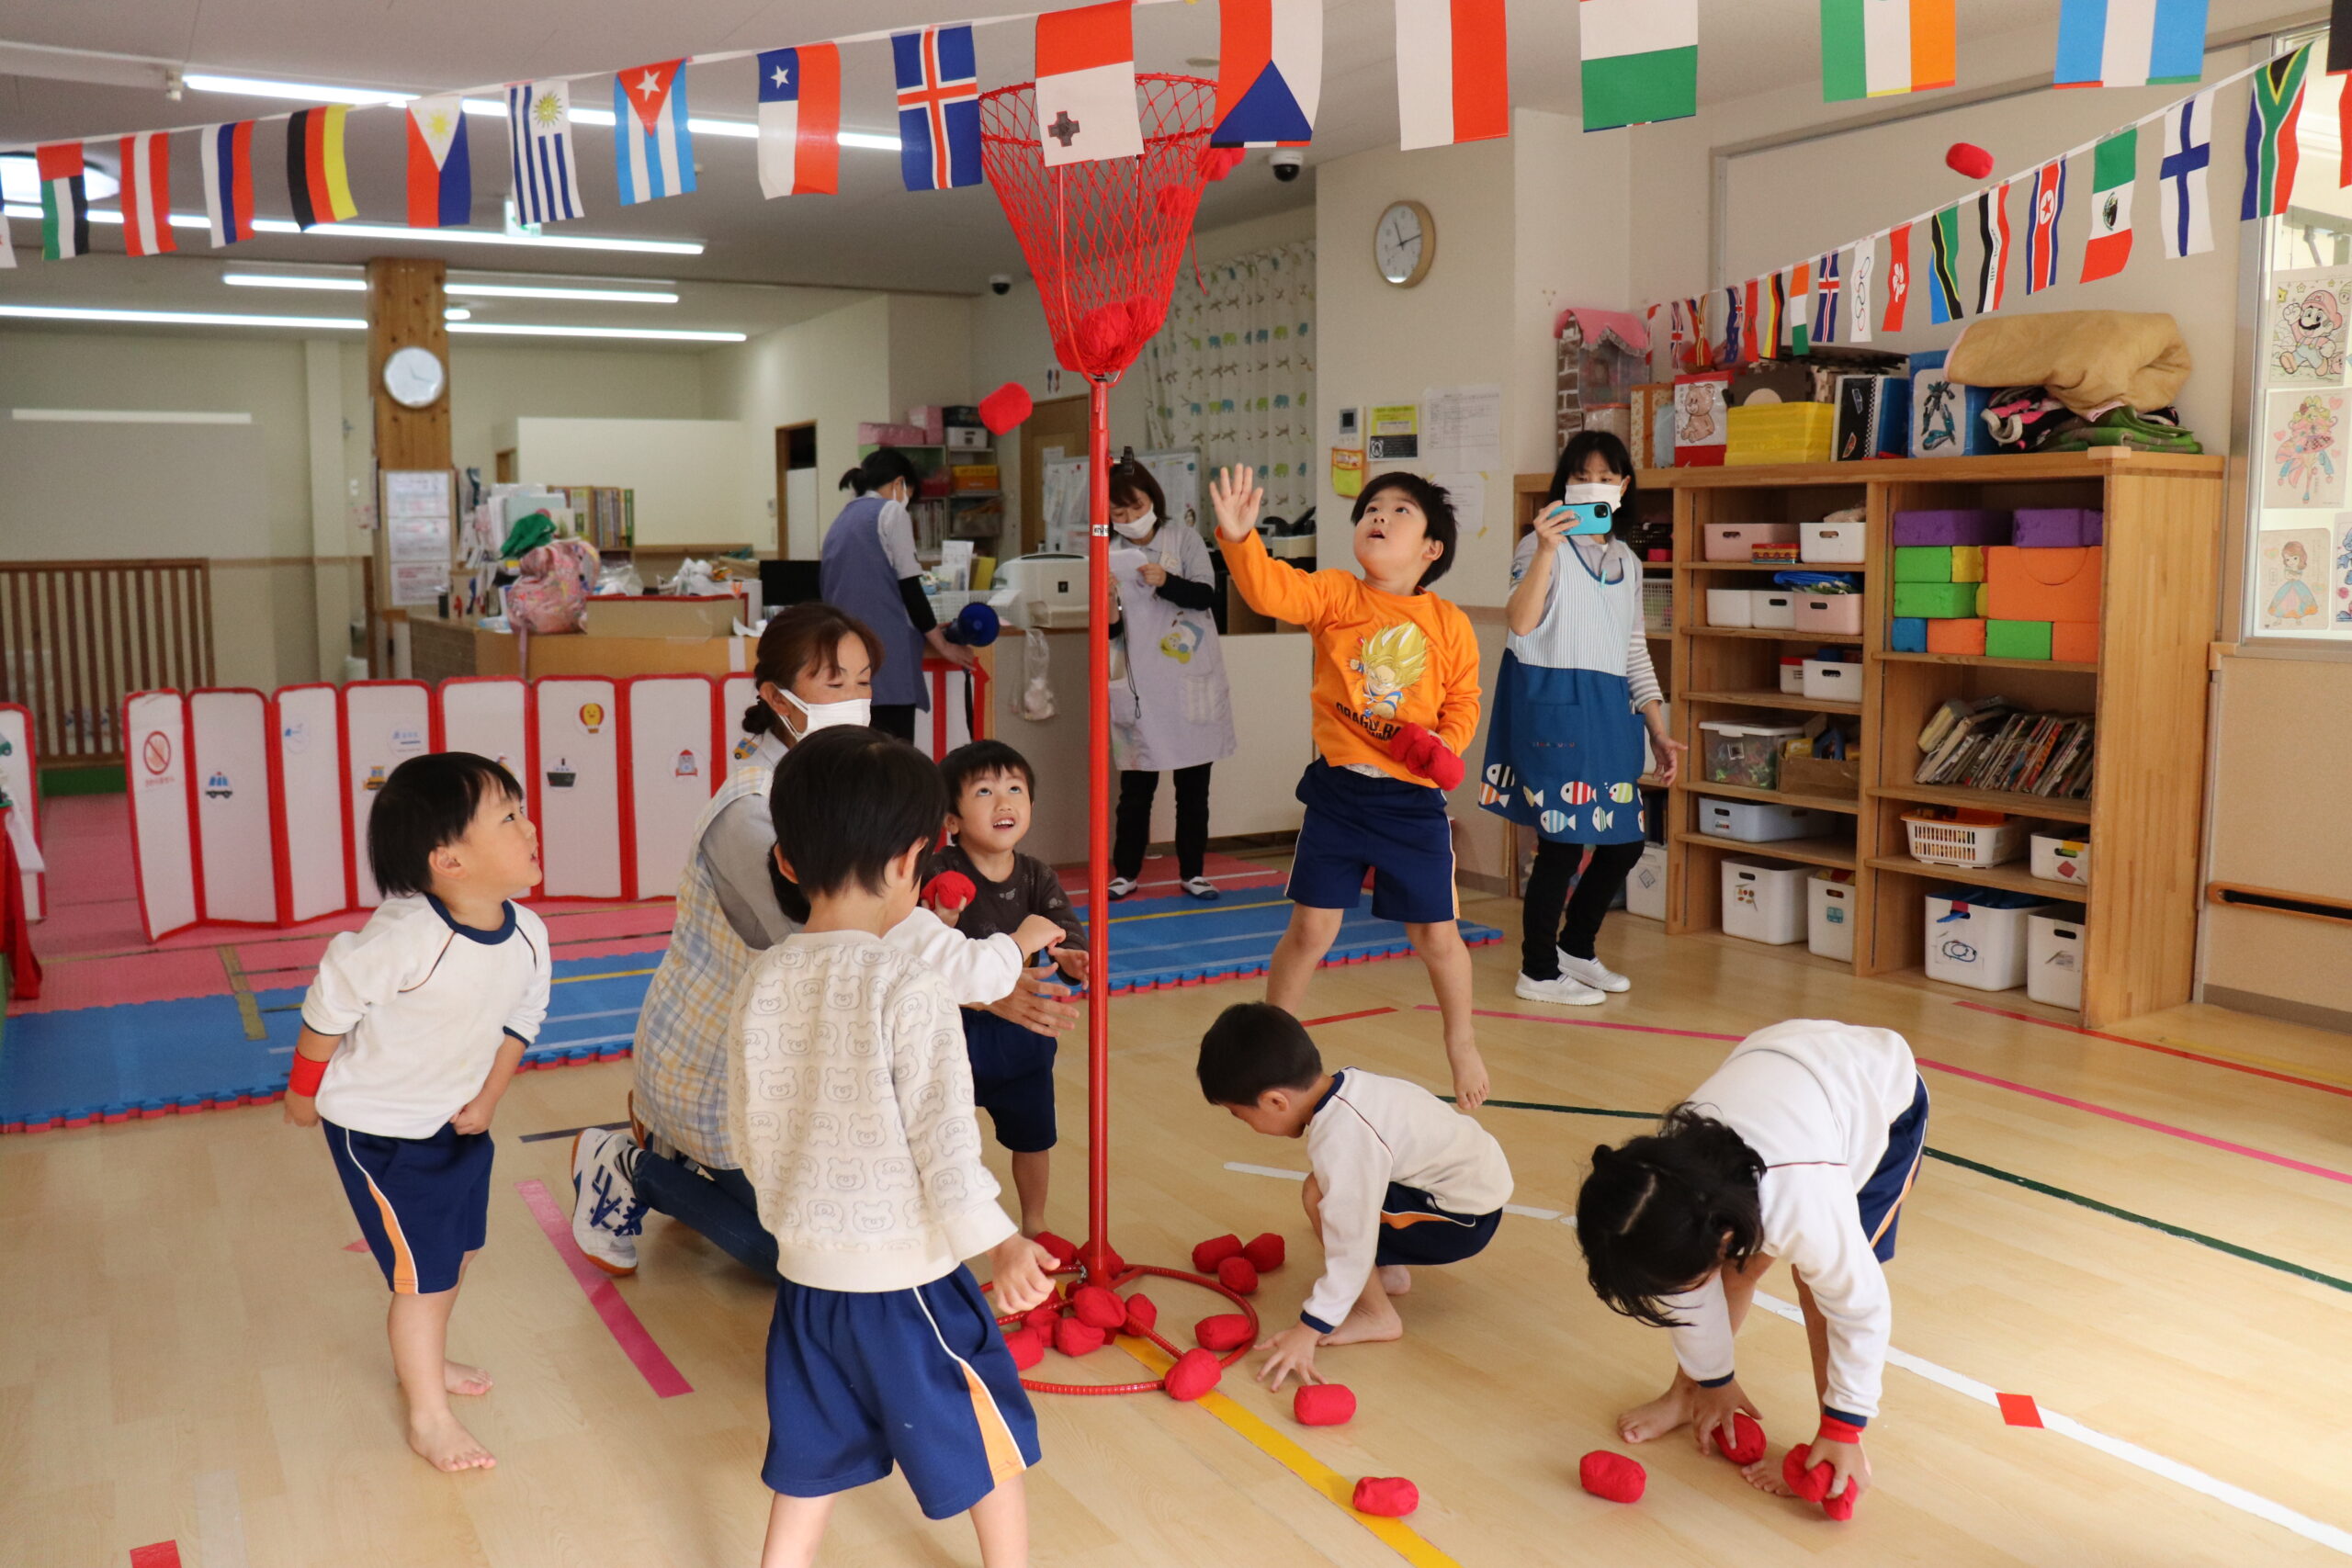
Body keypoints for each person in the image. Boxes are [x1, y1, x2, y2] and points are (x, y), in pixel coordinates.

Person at [570, 604, 1079, 1277]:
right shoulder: (750, 814)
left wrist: (985, 972)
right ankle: (633, 1164)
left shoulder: (841, 784)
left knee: (860, 1212)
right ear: (777, 697)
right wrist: (990, 980)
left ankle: (679, 1157)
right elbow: (854, 943)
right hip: (718, 1066)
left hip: (807, 1056)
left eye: (863, 682)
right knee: (790, 1251)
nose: (855, 700)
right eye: (833, 683)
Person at [736, 725, 1056, 1568]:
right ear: (916, 859)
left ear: (789, 861)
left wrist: (795, 1217)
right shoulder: (909, 981)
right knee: (987, 1439)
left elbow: (748, 1126)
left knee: (809, 1456)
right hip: (904, 1281)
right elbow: (944, 1137)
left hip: (807, 1277)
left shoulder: (762, 976)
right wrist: (1001, 1240)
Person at [281, 752, 551, 1473]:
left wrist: (489, 1096)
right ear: (449, 859)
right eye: (508, 816)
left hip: (456, 1121)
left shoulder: (528, 933)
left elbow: (522, 1019)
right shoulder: (405, 938)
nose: (530, 826)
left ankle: (423, 1359)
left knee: (457, 1254)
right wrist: (303, 1094)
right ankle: (428, 1415)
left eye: (523, 809)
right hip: (381, 1131)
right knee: (422, 1279)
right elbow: (329, 1004)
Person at [1210, 464, 1490, 1110]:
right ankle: (1269, 1048)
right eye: (1371, 509)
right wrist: (1241, 539)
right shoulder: (1337, 595)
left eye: (1400, 511)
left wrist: (1445, 746)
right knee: (1311, 930)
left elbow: (1464, 700)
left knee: (1435, 937)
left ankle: (1461, 1040)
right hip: (1339, 795)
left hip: (1411, 803)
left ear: (1431, 549)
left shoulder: (1448, 622)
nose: (1379, 516)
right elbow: (1270, 591)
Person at [1575, 1018, 1928, 1515]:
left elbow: (1860, 1308)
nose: (1681, 1295)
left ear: (1722, 1235)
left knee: (1816, 1288)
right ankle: (1689, 1393)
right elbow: (1692, 1290)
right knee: (1729, 1272)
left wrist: (1844, 1425)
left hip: (1881, 1104)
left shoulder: (1805, 1204)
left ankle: (1842, 1450)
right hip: (1787, 1079)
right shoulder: (1661, 1186)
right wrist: (1714, 1381)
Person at [1195, 1002, 1511, 1392]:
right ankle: (1389, 1272)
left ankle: (1376, 1314)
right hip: (1465, 1190)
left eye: (1242, 1117)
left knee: (1319, 1195)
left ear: (1276, 1101)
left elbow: (1350, 1242)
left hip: (1462, 1220)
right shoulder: (1350, 1086)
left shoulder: (1343, 1138)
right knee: (1340, 1190)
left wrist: (1309, 1327)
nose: (1248, 1126)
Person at [1483, 430, 1683, 1008]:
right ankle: (1538, 970)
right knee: (1562, 845)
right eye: (1581, 475)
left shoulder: (1628, 561)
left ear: (1622, 486)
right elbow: (1520, 622)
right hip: (1553, 705)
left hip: (1611, 711)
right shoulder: (1536, 546)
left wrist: (1657, 727)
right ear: (1564, 484)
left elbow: (1634, 649)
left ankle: (1575, 947)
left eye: (1605, 477)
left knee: (1623, 842)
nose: (1593, 485)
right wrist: (1547, 549)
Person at [926, 739, 1088, 1237]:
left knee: (1033, 1135)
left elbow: (1065, 928)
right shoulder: (937, 871)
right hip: (953, 1029)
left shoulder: (1037, 874)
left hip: (1023, 1029)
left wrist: (1072, 958)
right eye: (984, 792)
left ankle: (1034, 1221)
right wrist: (942, 917)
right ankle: (945, 1223)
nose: (1004, 802)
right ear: (951, 820)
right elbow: (926, 946)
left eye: (1015, 789)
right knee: (944, 1134)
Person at [1103, 450, 1234, 902]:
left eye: (1136, 507)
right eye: (1118, 513)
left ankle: (1193, 872)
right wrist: (1108, 601)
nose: (1129, 518)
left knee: (1193, 789)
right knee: (1135, 790)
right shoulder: (1108, 553)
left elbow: (1206, 596)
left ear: (1153, 499)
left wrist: (1165, 580)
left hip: (1187, 681)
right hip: (1140, 684)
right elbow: (1111, 632)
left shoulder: (1184, 539)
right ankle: (1125, 872)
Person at [819, 446, 974, 743]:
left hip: (845, 656)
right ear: (899, 483)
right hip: (887, 657)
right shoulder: (891, 512)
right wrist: (943, 645)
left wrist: (926, 630)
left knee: (858, 750)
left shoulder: (840, 520)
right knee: (894, 754)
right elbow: (910, 588)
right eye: (909, 495)